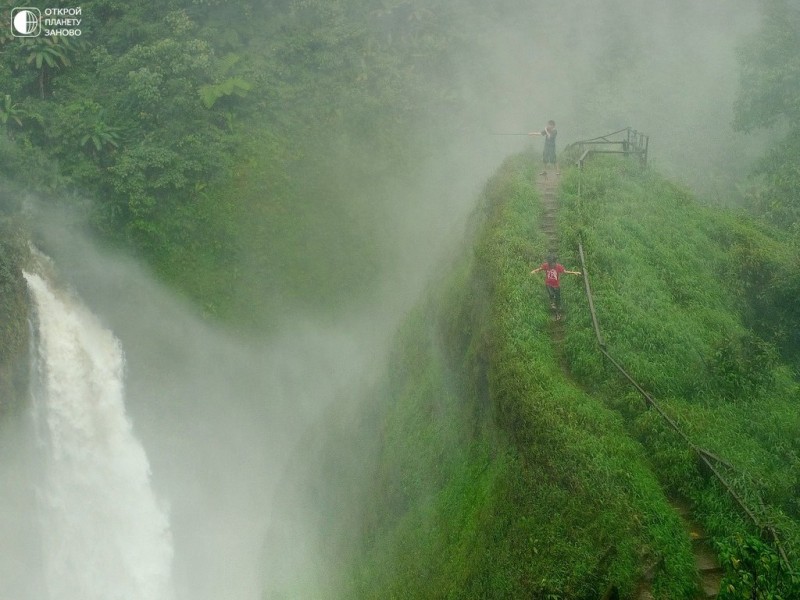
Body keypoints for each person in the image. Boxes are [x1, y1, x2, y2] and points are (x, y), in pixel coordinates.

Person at [530, 253, 581, 318]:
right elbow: (540, 269)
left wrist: (574, 272)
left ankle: (557, 313)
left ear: (555, 262)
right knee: (551, 294)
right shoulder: (546, 265)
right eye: (550, 264)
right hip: (548, 284)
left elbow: (565, 271)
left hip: (556, 285)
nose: (551, 265)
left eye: (552, 263)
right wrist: (534, 271)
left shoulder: (558, 266)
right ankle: (552, 303)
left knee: (558, 300)